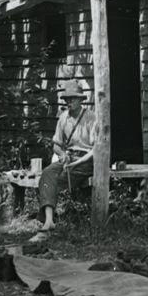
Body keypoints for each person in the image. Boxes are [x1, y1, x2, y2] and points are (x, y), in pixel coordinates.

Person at [33, 79, 97, 237]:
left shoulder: (91, 118)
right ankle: (49, 221)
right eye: (67, 99)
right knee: (47, 173)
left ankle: (62, 217)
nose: (70, 102)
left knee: (59, 178)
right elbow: (56, 144)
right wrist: (62, 156)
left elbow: (96, 149)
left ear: (80, 100)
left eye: (73, 99)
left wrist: (79, 162)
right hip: (68, 158)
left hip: (86, 161)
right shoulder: (63, 118)